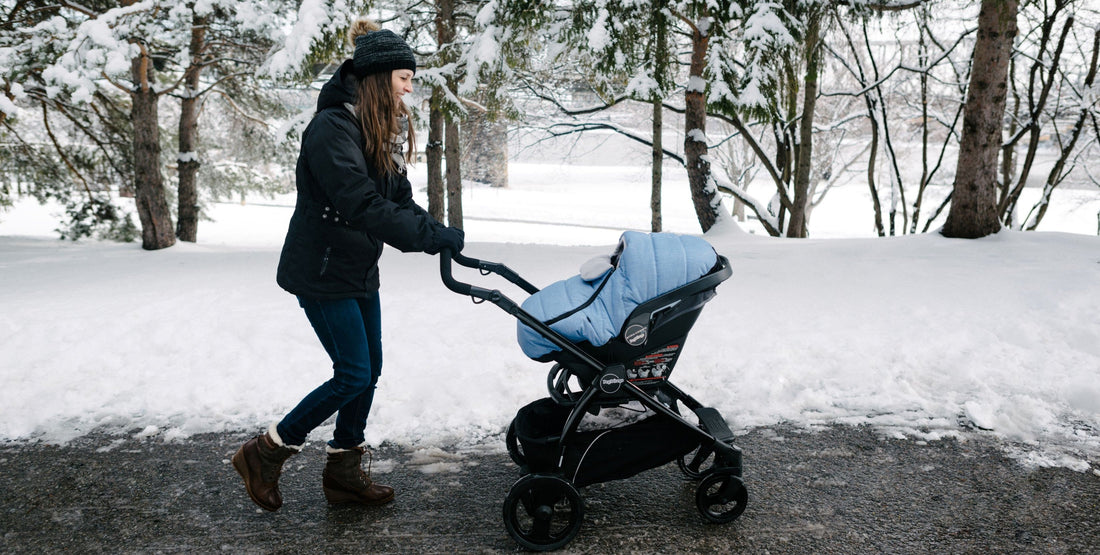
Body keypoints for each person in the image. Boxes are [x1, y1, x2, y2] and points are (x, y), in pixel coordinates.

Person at [232, 18, 464, 512]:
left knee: (369, 368)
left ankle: (343, 471)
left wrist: (436, 232)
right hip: (320, 269)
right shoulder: (331, 128)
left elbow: (396, 196)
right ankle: (265, 451)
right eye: (404, 78)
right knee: (353, 373)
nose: (409, 88)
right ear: (380, 77)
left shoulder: (376, 126)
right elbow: (360, 202)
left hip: (357, 266)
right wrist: (425, 238)